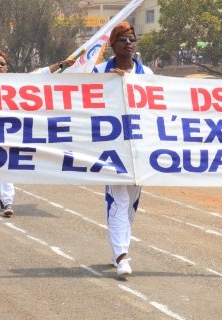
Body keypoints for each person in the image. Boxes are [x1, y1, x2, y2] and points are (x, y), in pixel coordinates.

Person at [91, 22, 154, 277]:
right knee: (119, 198)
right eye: (123, 40)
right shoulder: (99, 72)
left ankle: (119, 245)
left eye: (132, 39)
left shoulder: (146, 73)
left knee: (132, 202)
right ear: (113, 45)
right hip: (112, 147)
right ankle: (122, 256)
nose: (128, 43)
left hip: (139, 148)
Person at [0, 49, 73, 217]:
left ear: (7, 68)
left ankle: (5, 199)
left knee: (11, 163)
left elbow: (39, 74)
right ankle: (6, 200)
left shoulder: (16, 82)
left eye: (2, 64)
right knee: (1, 164)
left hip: (15, 129)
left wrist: (61, 65)